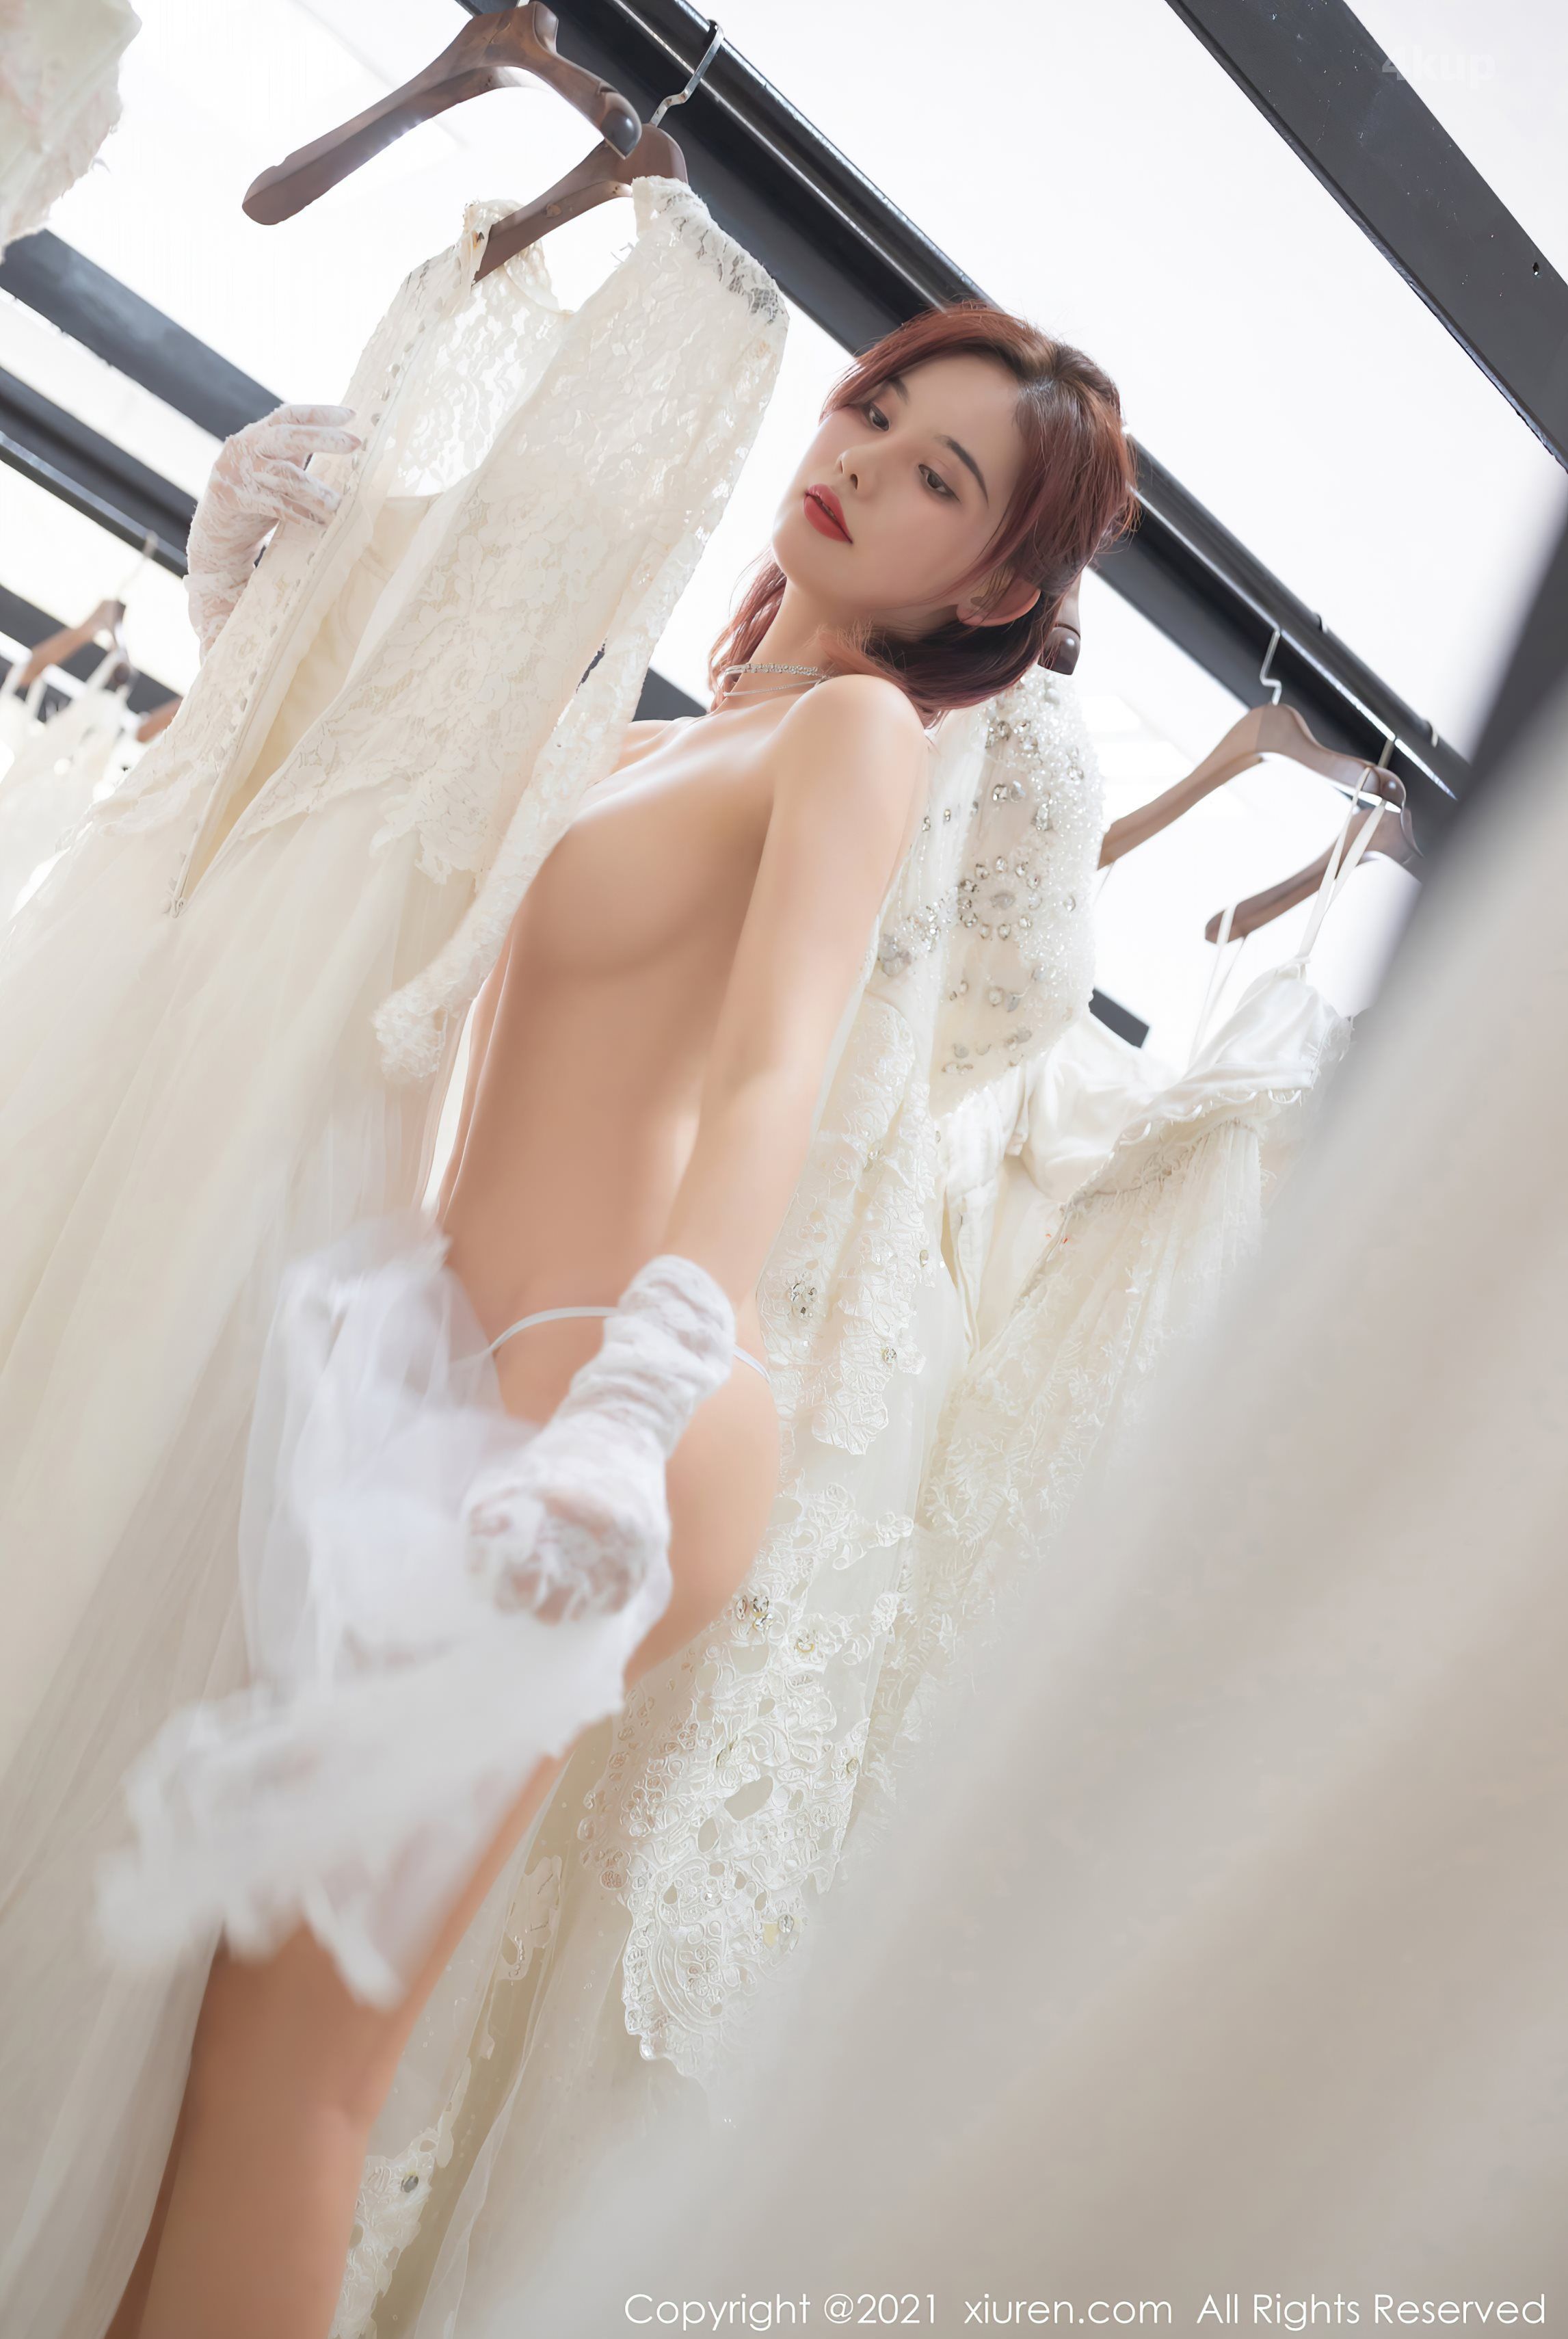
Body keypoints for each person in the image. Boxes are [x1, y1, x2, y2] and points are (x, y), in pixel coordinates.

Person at [103, 303, 1137, 2338]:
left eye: (940, 474)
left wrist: (633, 1403)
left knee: (292, 2078)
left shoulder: (858, 739)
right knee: (240, 2038)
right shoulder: (668, 743)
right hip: (463, 1369)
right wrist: (255, 601)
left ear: (993, 588)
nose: (865, 458)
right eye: (874, 408)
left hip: (612, 1385)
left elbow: (775, 1073)